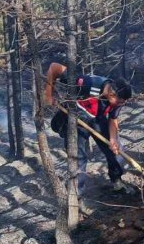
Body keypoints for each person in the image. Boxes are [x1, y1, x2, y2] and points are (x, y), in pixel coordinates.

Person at [44, 63, 133, 193]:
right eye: (120, 102)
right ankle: (76, 194)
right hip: (75, 118)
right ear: (112, 94)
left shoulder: (118, 100)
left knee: (117, 151)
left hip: (97, 118)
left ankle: (116, 180)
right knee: (78, 157)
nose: (122, 104)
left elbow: (113, 119)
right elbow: (54, 67)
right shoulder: (86, 82)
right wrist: (48, 95)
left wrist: (113, 139)